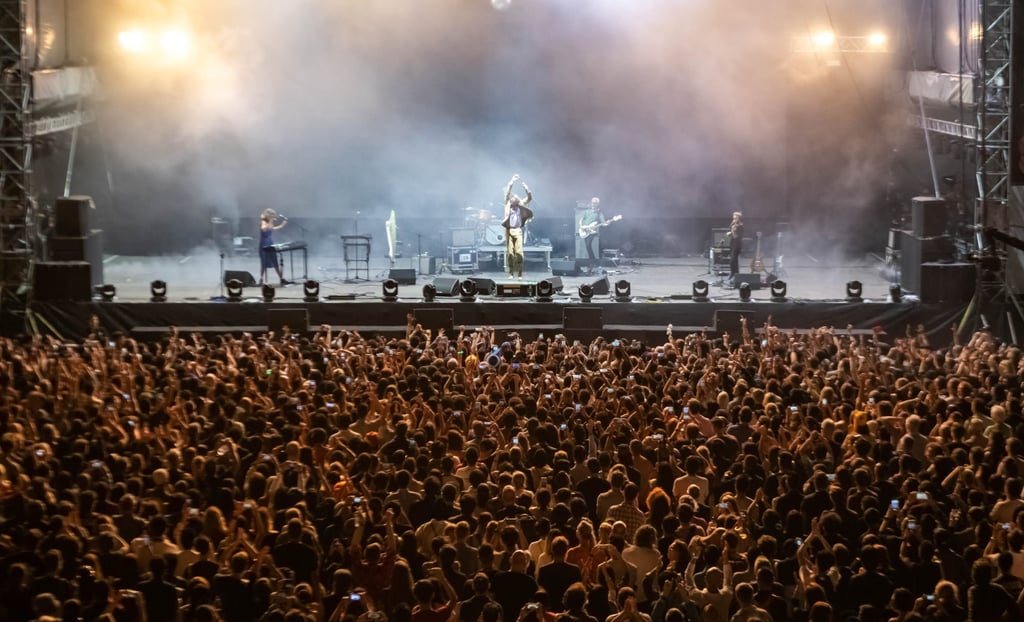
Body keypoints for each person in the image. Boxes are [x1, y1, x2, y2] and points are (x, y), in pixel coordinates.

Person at [502, 174, 533, 280]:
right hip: (509, 230)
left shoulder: (521, 205)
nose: (513, 200)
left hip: (518, 230)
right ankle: (511, 272)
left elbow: (530, 198)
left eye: (515, 199)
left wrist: (526, 189)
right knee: (510, 253)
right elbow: (507, 192)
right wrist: (512, 181)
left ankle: (520, 272)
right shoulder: (507, 204)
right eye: (512, 199)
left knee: (519, 253)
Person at [259, 208, 288, 285]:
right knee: (264, 263)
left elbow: (273, 229)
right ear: (269, 216)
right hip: (264, 244)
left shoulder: (270, 222)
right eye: (272, 216)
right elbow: (263, 229)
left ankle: (281, 278)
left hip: (270, 243)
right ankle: (261, 279)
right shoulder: (264, 222)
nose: (274, 217)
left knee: (275, 262)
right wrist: (270, 223)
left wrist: (283, 224)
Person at [727, 211, 743, 285]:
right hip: (732, 244)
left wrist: (733, 231)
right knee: (732, 260)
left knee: (733, 260)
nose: (734, 219)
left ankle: (736, 274)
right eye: (733, 218)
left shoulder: (740, 226)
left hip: (737, 244)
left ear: (739, 218)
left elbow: (736, 236)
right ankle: (733, 273)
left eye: (736, 218)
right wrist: (730, 232)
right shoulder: (733, 224)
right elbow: (729, 234)